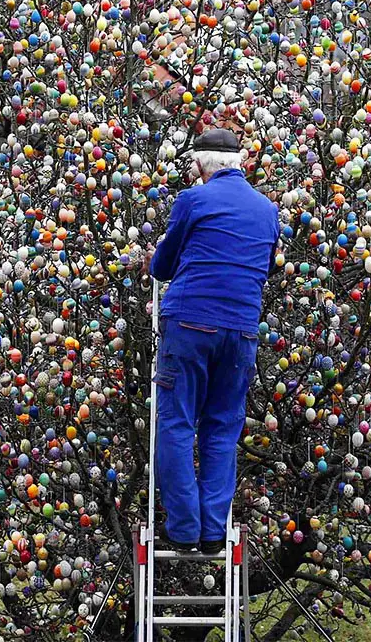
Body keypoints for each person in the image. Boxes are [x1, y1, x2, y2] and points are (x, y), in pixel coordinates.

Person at [145, 128, 279, 553]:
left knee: (178, 421)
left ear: (202, 165)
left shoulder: (194, 200)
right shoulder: (268, 210)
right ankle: (212, 532)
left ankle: (184, 530)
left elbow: (161, 268)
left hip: (189, 325)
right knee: (223, 427)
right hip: (241, 330)